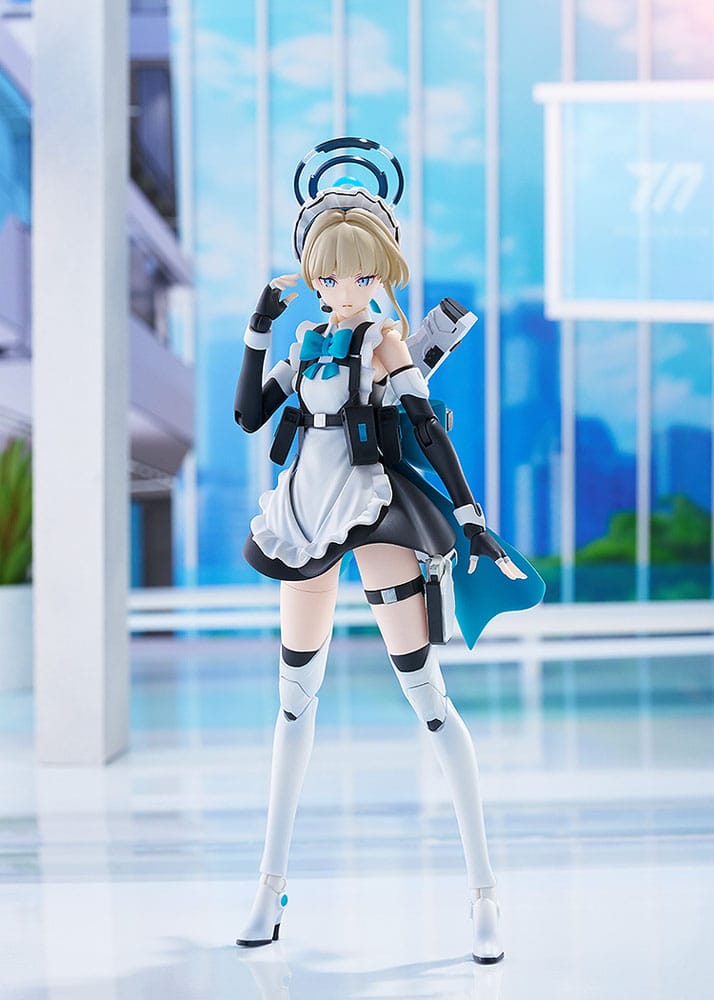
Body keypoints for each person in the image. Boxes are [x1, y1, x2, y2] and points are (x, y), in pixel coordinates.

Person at [233, 151, 534, 964]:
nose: (343, 287)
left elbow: (427, 429)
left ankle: (484, 892)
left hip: (372, 508)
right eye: (330, 275)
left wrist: (468, 514)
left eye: (359, 274)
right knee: (294, 702)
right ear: (313, 275)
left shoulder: (384, 341)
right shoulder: (307, 338)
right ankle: (269, 884)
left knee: (427, 698)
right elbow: (249, 414)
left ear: (381, 271)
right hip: (304, 513)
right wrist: (259, 326)